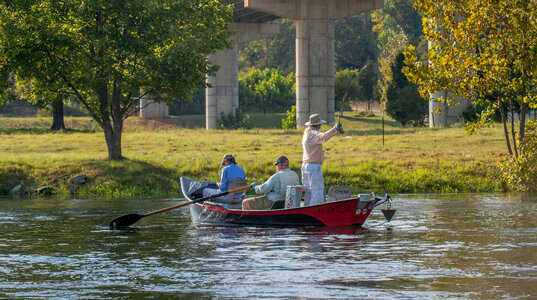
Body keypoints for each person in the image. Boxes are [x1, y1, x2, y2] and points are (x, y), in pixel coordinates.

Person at [301, 114, 343, 206]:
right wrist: (335, 129)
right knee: (317, 191)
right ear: (316, 125)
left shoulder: (306, 133)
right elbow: (324, 137)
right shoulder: (314, 134)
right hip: (313, 166)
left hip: (306, 166)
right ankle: (315, 210)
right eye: (319, 124)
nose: (320, 126)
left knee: (308, 191)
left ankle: (307, 209)